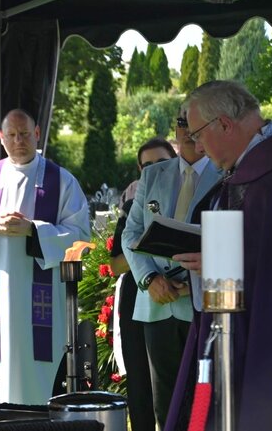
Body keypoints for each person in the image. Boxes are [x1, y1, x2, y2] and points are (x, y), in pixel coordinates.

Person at [165, 80, 272, 431]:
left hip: (267, 347)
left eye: (198, 135)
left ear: (224, 123)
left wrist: (222, 263)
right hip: (222, 332)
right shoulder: (243, 173)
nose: (198, 147)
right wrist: (214, 262)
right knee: (209, 412)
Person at [0, 109, 90, 405]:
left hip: (40, 303)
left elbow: (79, 234)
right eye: (11, 135)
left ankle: (39, 420)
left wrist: (33, 230)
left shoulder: (61, 180)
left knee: (35, 379)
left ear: (37, 133)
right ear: (1, 138)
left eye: (24, 134)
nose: (18, 141)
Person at [122, 115, 221, 430]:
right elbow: (130, 233)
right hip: (157, 304)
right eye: (182, 121)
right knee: (166, 404)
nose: (189, 130)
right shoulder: (153, 174)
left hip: (203, 303)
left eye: (196, 121)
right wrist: (150, 278)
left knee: (204, 398)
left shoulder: (226, 172)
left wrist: (199, 279)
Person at [110, 137, 177, 431]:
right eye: (146, 165)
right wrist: (149, 249)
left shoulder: (189, 195)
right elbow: (116, 264)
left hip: (178, 296)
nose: (154, 170)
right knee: (140, 380)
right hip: (137, 296)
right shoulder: (132, 206)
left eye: (161, 162)